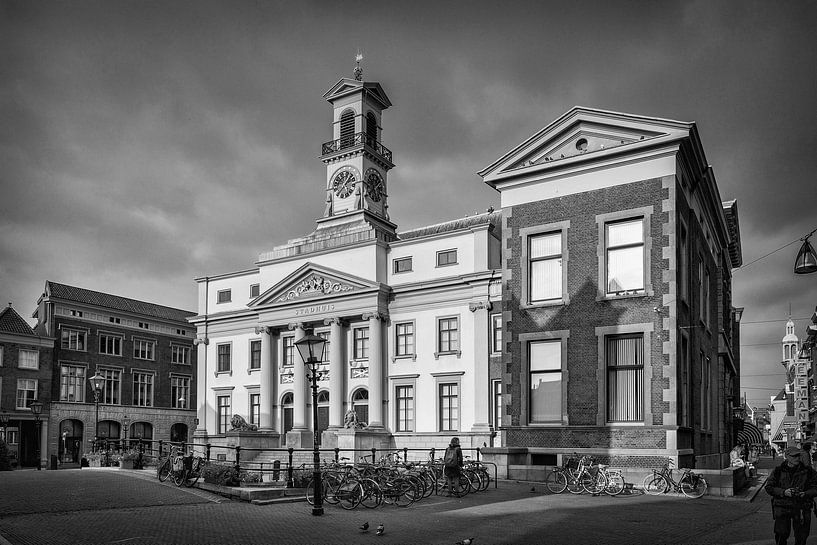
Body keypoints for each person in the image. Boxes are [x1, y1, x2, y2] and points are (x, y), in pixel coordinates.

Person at [765, 446, 817, 545]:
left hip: (802, 507)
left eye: (798, 455)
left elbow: (815, 487)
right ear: (787, 456)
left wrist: (806, 493)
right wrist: (784, 492)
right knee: (781, 535)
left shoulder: (808, 471)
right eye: (794, 456)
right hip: (783, 507)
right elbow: (769, 487)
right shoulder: (778, 471)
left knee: (801, 537)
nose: (797, 458)